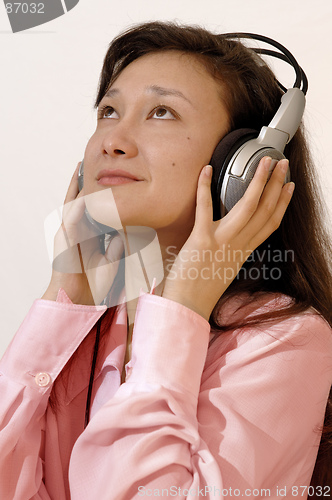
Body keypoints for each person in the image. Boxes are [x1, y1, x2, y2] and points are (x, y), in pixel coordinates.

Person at [0, 21, 331, 500]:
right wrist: (62, 299)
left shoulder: (282, 339)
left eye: (161, 112)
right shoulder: (92, 330)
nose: (112, 141)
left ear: (242, 164)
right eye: (109, 111)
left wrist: (182, 312)